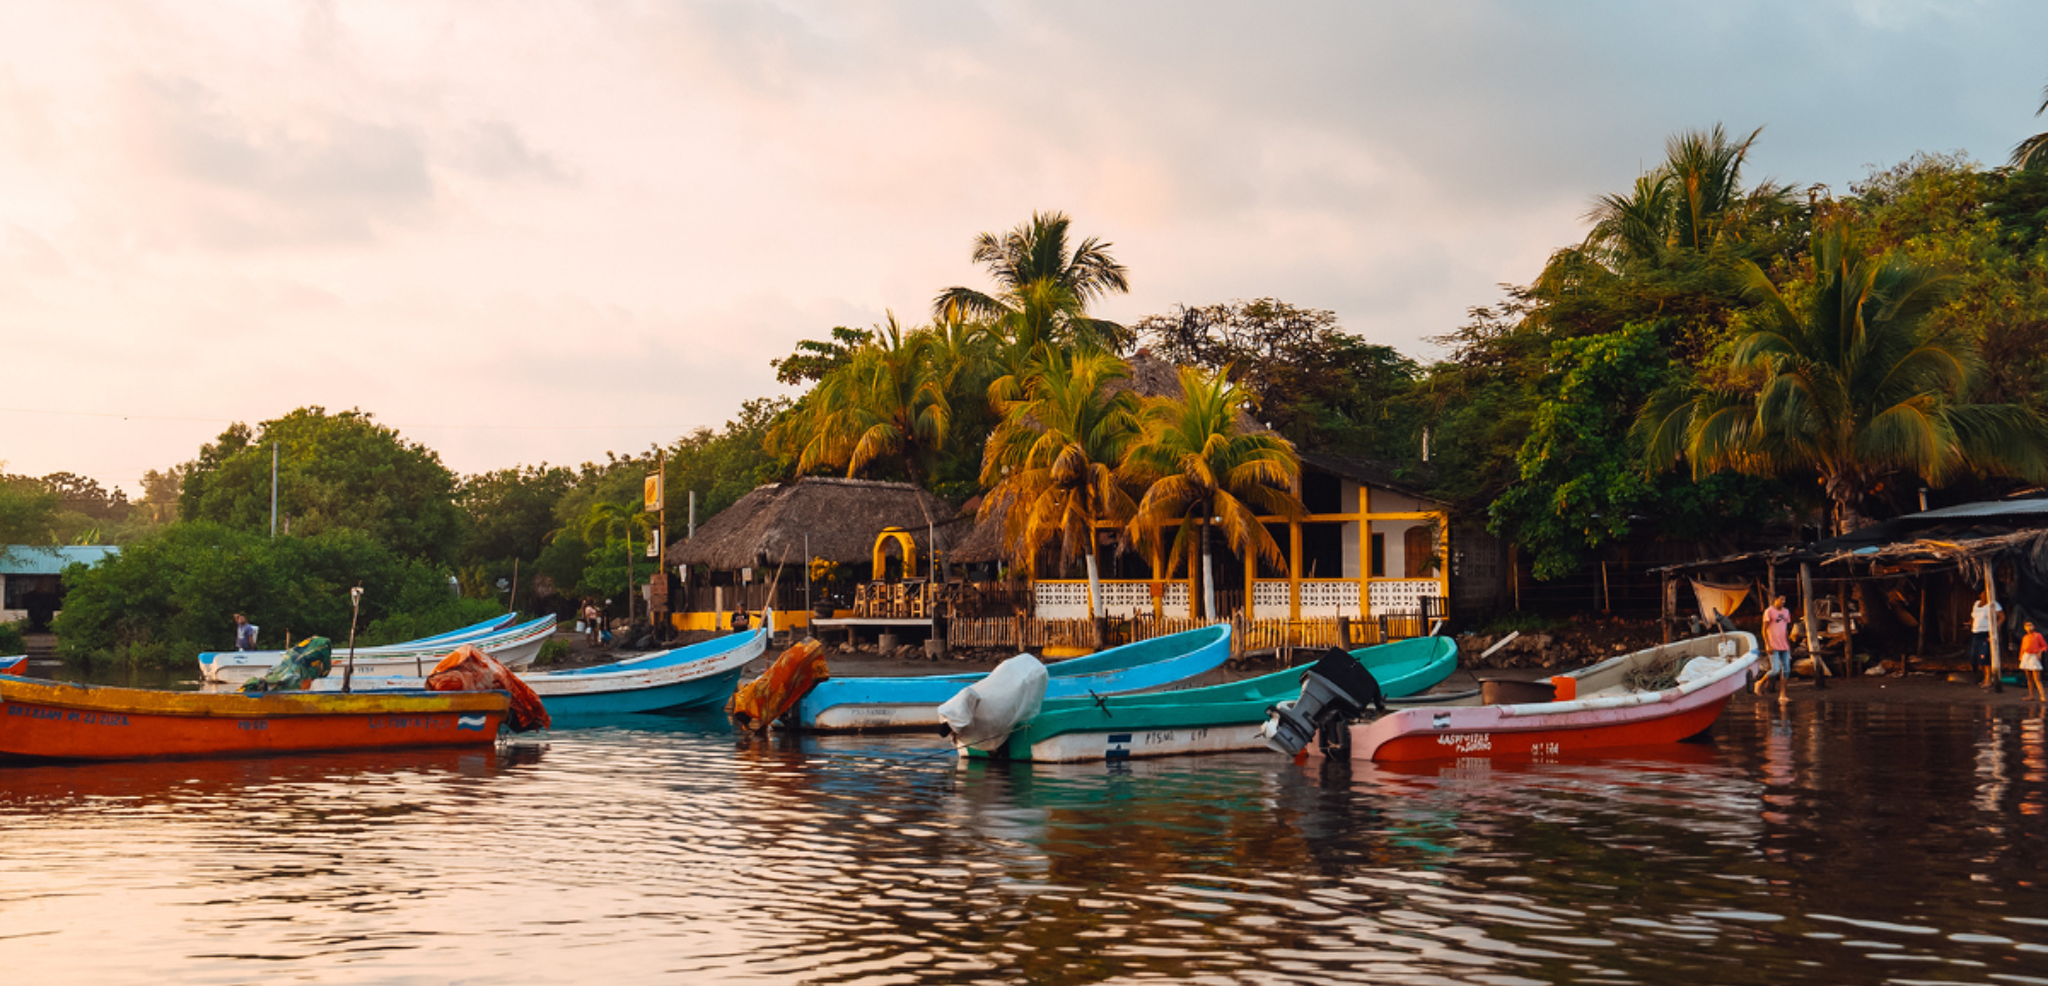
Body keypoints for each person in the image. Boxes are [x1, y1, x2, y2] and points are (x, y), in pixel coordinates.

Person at [1757, 595, 1793, 696]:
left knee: (1786, 670)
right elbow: (1764, 629)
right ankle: (1760, 682)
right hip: (1773, 644)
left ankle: (1783, 694)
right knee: (1775, 669)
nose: (1783, 601)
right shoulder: (1769, 611)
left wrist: (1788, 645)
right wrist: (1767, 644)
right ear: (1775, 600)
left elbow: (1785, 628)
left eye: (1784, 599)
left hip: (1784, 644)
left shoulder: (1786, 612)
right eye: (1781, 599)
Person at [1971, 590, 2004, 688]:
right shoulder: (1977, 604)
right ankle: (1985, 677)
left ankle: (1988, 680)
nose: (1985, 595)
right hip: (1975, 632)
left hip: (1986, 632)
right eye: (1984, 593)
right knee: (1974, 656)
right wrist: (1970, 623)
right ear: (1980, 595)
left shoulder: (1993, 604)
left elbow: (2002, 617)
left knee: (1985, 657)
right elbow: (1973, 617)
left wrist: (1996, 627)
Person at [2022, 620, 2047, 702]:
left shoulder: (2038, 635)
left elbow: (2044, 646)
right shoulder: (2025, 637)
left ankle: (2043, 696)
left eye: (2030, 625)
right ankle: (2031, 695)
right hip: (2026, 656)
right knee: (2029, 678)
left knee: (2037, 678)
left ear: (2034, 626)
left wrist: (2040, 652)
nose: (2029, 627)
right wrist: (2021, 658)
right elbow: (2022, 648)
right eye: (2027, 626)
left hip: (2034, 656)